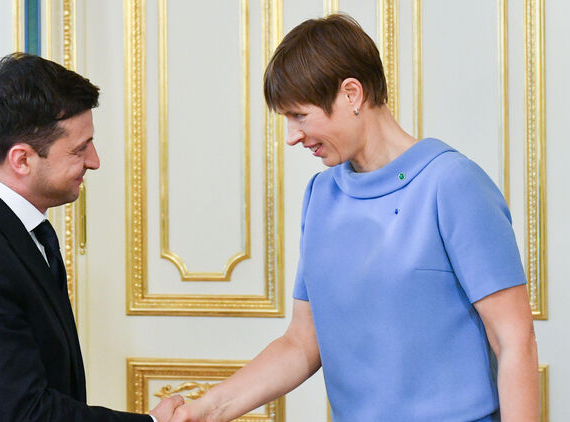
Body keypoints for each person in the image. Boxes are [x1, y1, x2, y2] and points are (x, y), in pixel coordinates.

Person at [170, 14, 538, 422]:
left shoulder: (452, 184)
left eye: (299, 115)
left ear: (351, 93)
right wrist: (207, 409)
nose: (291, 136)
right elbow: (301, 343)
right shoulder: (321, 196)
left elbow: (514, 341)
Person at [0, 53, 183, 421]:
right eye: (79, 149)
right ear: (21, 159)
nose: (95, 161)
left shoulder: (15, 228)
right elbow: (27, 413)